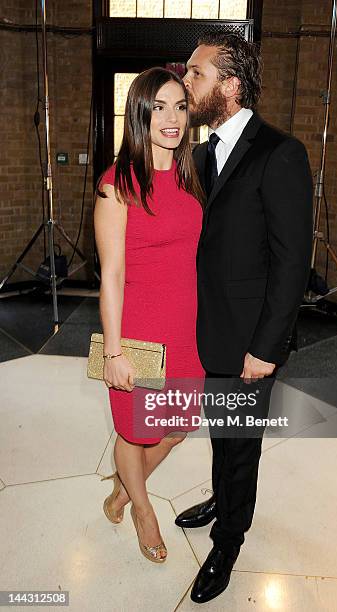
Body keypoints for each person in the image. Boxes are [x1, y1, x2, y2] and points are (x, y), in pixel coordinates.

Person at [175, 31, 313, 602]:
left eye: (196, 73)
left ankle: (230, 539)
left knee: (241, 443)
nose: (186, 82)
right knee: (221, 434)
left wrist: (267, 346)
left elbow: (292, 261)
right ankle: (220, 500)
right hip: (210, 330)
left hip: (252, 339)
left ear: (230, 86)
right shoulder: (204, 153)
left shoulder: (281, 152)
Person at [94, 67, 205, 563]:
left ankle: (122, 491)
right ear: (139, 113)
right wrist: (114, 351)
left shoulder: (188, 174)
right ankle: (142, 510)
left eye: (180, 106)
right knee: (134, 431)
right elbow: (111, 275)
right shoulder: (116, 183)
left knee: (178, 426)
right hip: (139, 330)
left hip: (185, 329)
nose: (172, 117)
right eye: (159, 106)